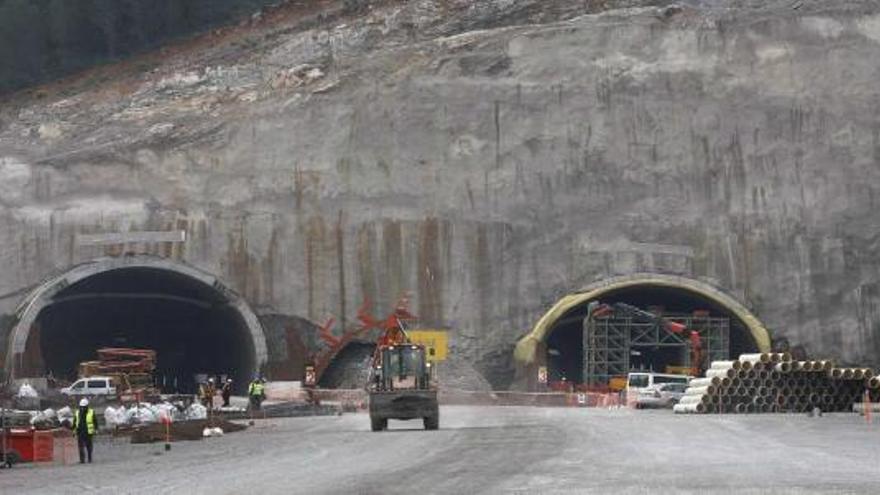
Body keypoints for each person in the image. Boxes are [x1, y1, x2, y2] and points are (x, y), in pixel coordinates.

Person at [73, 398, 98, 464]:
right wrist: (73, 430)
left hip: (88, 432)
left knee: (89, 446)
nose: (82, 409)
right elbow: (75, 422)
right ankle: (82, 460)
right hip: (80, 431)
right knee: (80, 446)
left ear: (87, 406)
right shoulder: (77, 412)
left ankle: (89, 458)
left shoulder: (91, 412)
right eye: (81, 407)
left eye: (84, 407)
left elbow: (95, 421)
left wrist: (96, 429)